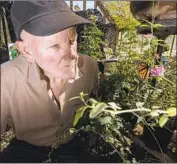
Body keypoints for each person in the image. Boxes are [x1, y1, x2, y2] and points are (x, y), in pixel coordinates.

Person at [0, 1, 100, 162]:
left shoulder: (89, 67)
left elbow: (95, 104)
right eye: (54, 46)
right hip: (27, 148)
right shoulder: (6, 78)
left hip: (72, 146)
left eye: (72, 40)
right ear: (26, 50)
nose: (73, 55)